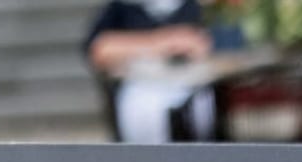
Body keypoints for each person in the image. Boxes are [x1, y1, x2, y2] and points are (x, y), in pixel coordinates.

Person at [83, 0, 217, 144]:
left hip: (189, 87)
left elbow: (209, 43)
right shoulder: (123, 8)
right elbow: (99, 49)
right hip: (139, 88)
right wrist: (161, 42)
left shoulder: (191, 7)